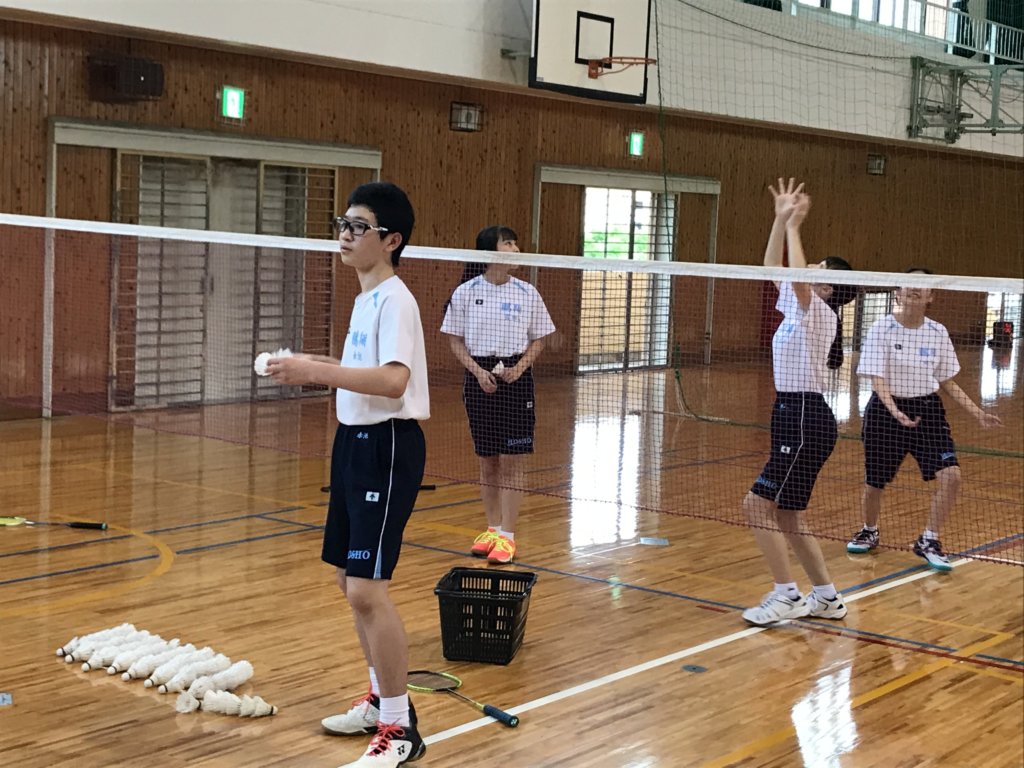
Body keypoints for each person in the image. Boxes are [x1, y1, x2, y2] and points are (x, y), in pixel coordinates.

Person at [267, 182, 428, 767]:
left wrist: (318, 372)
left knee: (366, 588)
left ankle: (400, 730)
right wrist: (314, 364)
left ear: (391, 240)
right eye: (343, 223)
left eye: (359, 227)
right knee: (347, 579)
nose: (345, 235)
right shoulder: (366, 299)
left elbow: (393, 382)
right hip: (352, 442)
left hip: (387, 445)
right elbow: (364, 369)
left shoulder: (395, 300)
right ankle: (381, 699)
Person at [741, 178, 852, 627]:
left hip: (804, 416)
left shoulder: (819, 311)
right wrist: (779, 219)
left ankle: (786, 594)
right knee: (787, 513)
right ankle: (826, 597)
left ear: (831, 288)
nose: (811, 268)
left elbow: (798, 276)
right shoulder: (798, 307)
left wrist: (796, 226)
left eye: (821, 268)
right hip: (795, 413)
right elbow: (773, 266)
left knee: (755, 505)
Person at [847, 267, 1003, 570]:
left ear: (930, 296)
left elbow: (946, 380)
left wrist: (978, 413)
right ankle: (869, 530)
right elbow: (877, 379)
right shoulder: (881, 328)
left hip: (928, 412)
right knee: (875, 482)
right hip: (885, 412)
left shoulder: (937, 332)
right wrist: (895, 411)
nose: (914, 288)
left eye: (922, 285)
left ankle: (929, 539)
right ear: (898, 293)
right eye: (908, 284)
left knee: (952, 476)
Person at [440, 226, 555, 564]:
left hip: (517, 379)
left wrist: (519, 369)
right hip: (480, 378)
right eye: (509, 243)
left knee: (513, 461)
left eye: (516, 243)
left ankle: (508, 536)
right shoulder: (466, 292)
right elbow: (454, 340)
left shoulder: (527, 292)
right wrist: (478, 372)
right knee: (487, 461)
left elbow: (541, 337)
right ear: (491, 252)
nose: (517, 249)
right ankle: (492, 530)